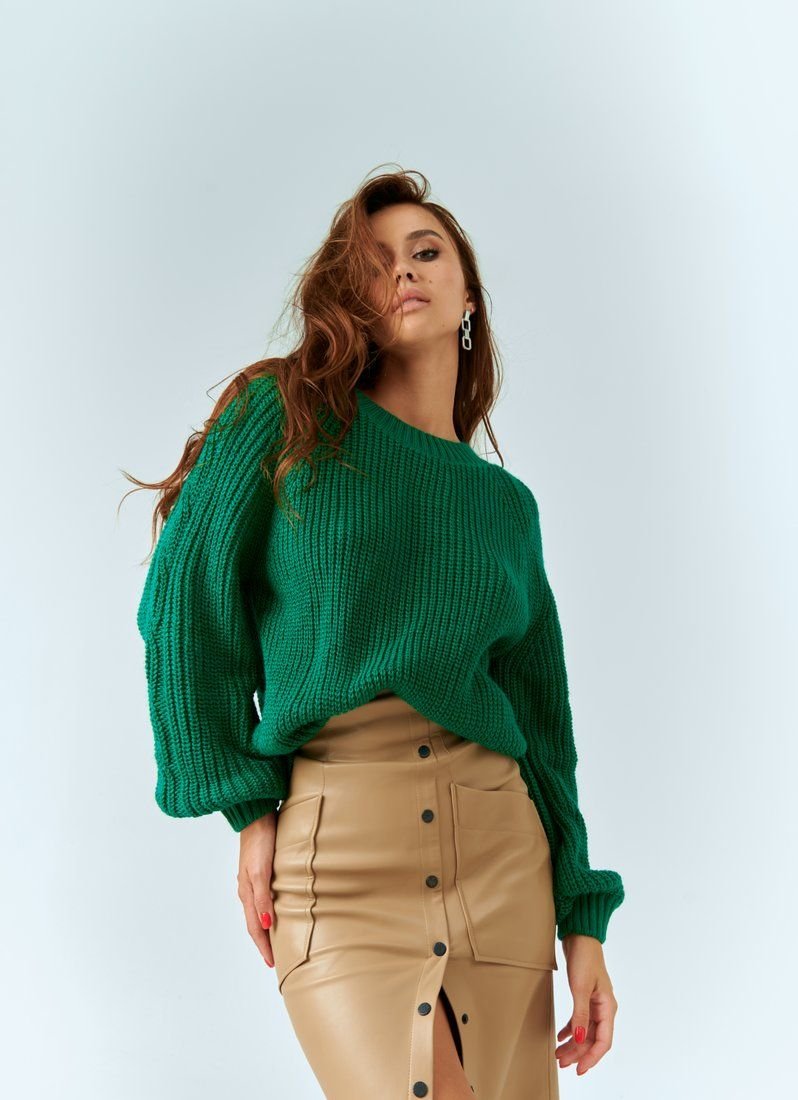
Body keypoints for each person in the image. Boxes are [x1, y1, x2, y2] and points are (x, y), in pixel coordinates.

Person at [127, 166, 625, 1099]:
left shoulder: (505, 507)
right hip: (339, 856)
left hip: (502, 859)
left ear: (468, 297)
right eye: (374, 263)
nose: (402, 270)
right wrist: (247, 807)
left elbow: (542, 726)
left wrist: (582, 921)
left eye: (425, 251)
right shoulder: (283, 418)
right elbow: (184, 604)